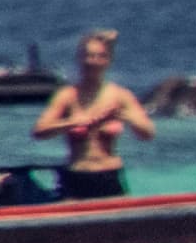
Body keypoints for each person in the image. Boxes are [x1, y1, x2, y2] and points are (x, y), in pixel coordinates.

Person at [32, 29, 156, 199]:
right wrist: (72, 122)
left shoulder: (120, 96)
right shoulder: (67, 96)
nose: (93, 62)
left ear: (107, 60)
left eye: (99, 56)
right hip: (77, 176)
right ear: (80, 58)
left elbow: (148, 133)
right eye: (88, 56)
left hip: (109, 177)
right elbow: (39, 131)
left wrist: (128, 117)